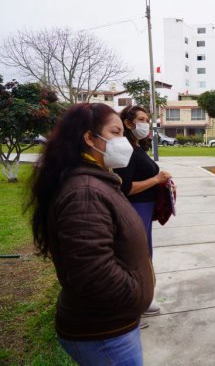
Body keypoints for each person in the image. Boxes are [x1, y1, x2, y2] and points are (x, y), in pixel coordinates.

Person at [27, 103, 154, 365]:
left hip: (112, 326)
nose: (123, 141)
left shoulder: (95, 180)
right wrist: (135, 294)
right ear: (89, 138)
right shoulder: (84, 192)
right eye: (115, 132)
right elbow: (94, 273)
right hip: (104, 333)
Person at [114, 105, 172, 317]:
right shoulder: (126, 150)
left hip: (145, 208)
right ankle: (136, 304)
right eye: (141, 119)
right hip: (136, 207)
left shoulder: (137, 147)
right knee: (138, 255)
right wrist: (157, 179)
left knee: (144, 252)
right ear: (129, 123)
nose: (146, 123)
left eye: (147, 119)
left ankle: (142, 298)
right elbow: (126, 187)